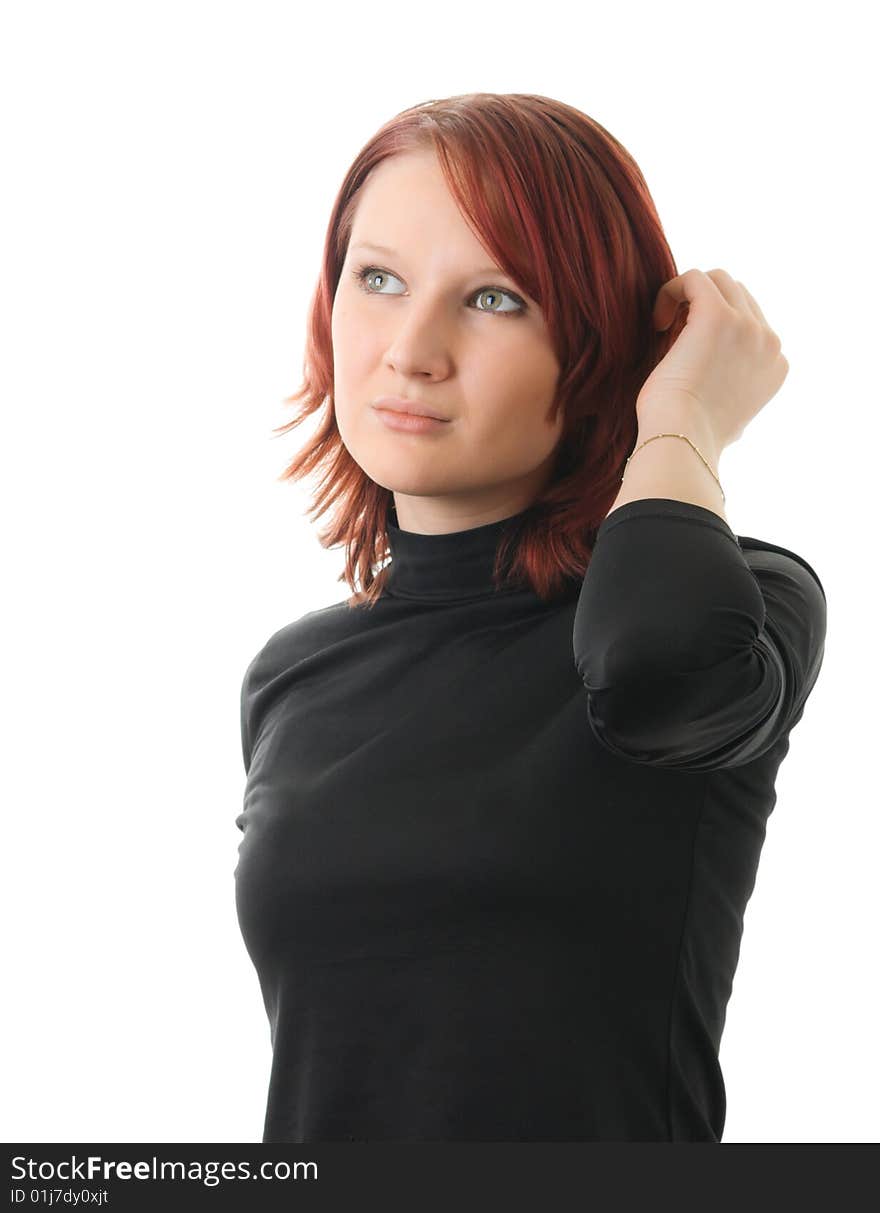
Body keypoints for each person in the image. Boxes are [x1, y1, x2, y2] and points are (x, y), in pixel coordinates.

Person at [234, 93, 827, 1143]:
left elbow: (659, 680)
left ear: (597, 342)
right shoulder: (294, 673)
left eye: (496, 298)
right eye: (377, 279)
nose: (411, 350)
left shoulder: (735, 606)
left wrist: (680, 419)